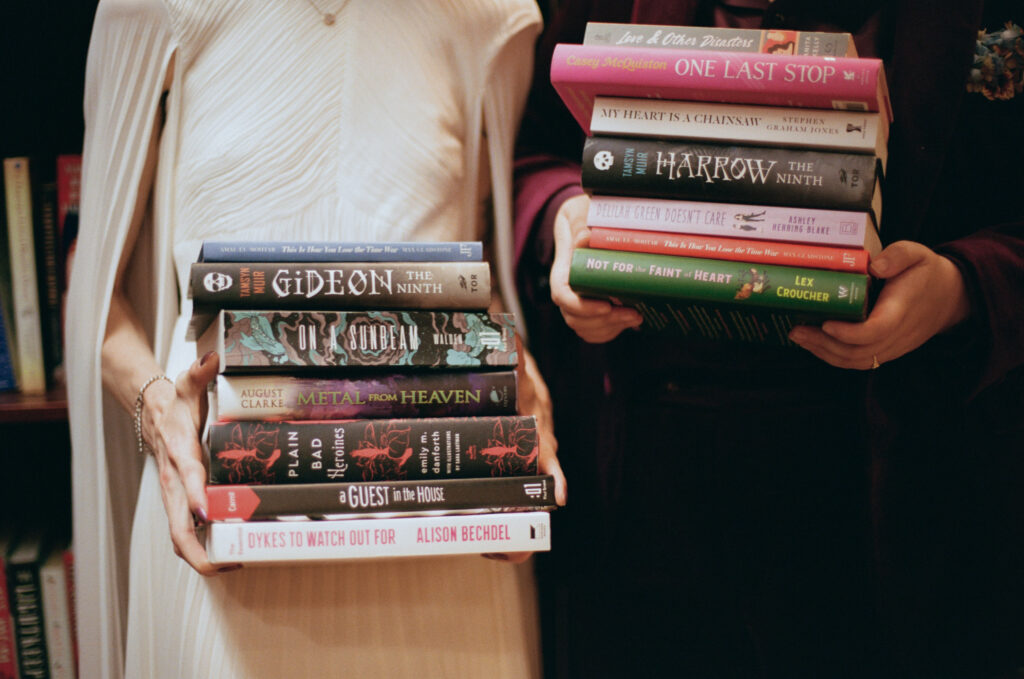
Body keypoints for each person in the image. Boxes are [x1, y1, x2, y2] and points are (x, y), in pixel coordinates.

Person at [514, 1, 1024, 677]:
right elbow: (535, 153)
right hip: (643, 490)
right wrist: (568, 219)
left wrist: (961, 289)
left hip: (894, 497)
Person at [65, 1, 566, 677]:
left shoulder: (485, 17)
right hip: (221, 529)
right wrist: (157, 409)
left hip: (440, 554)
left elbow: (470, 288)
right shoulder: (154, 10)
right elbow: (94, 293)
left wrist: (516, 385)